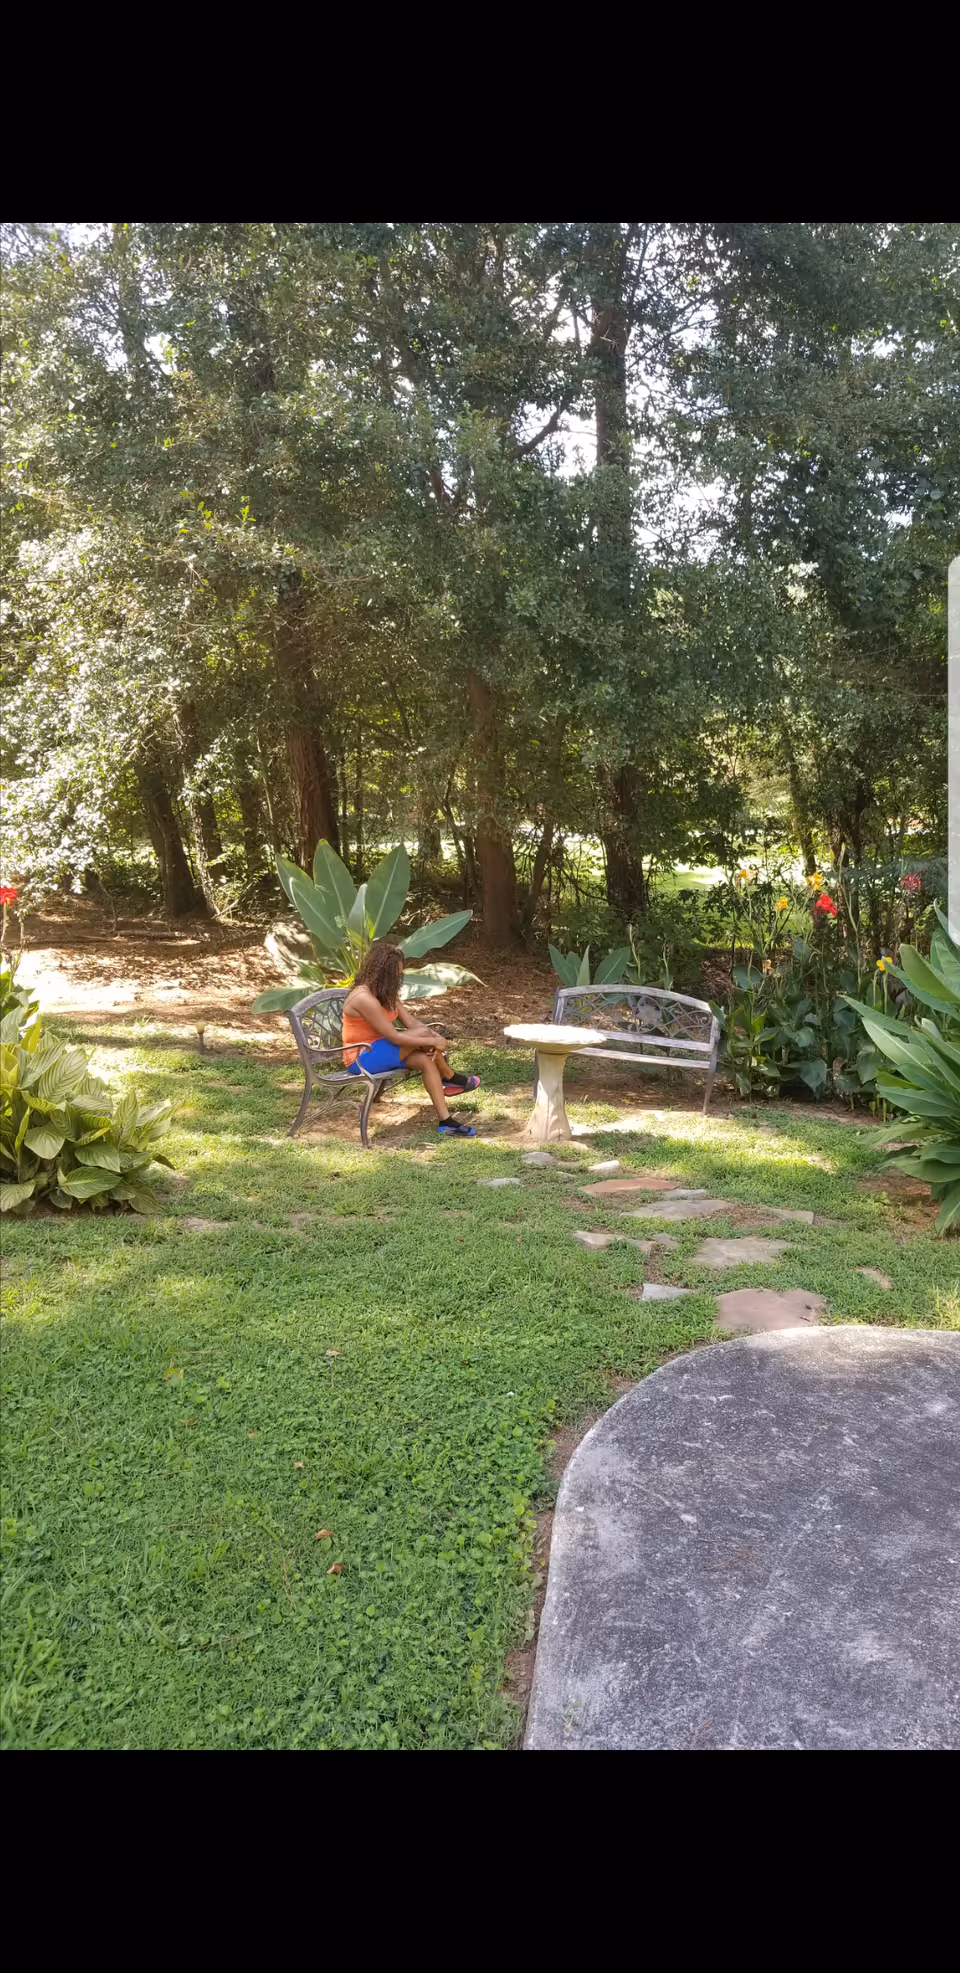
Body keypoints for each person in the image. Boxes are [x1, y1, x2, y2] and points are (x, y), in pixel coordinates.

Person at [342, 941, 480, 1137]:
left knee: (425, 1060)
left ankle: (446, 1121)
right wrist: (432, 1042)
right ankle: (450, 1077)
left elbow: (413, 1024)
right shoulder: (364, 998)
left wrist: (433, 1037)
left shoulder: (384, 993)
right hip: (362, 1057)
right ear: (382, 973)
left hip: (383, 1049)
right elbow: (395, 1037)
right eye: (395, 974)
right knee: (424, 1040)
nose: (399, 978)